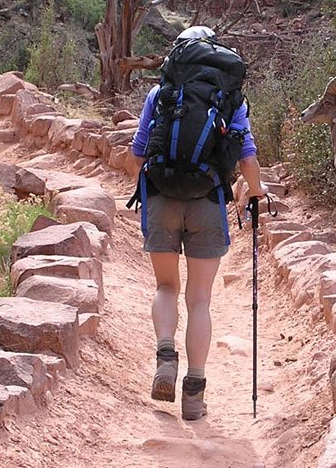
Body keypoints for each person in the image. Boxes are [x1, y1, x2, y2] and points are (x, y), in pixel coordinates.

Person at [126, 25, 268, 421]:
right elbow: (247, 159)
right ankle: (194, 393)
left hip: (161, 197)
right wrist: (255, 194)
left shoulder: (161, 93)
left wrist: (149, 182)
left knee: (165, 286)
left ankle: (165, 358)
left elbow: (137, 153)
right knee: (200, 299)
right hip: (208, 201)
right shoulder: (230, 100)